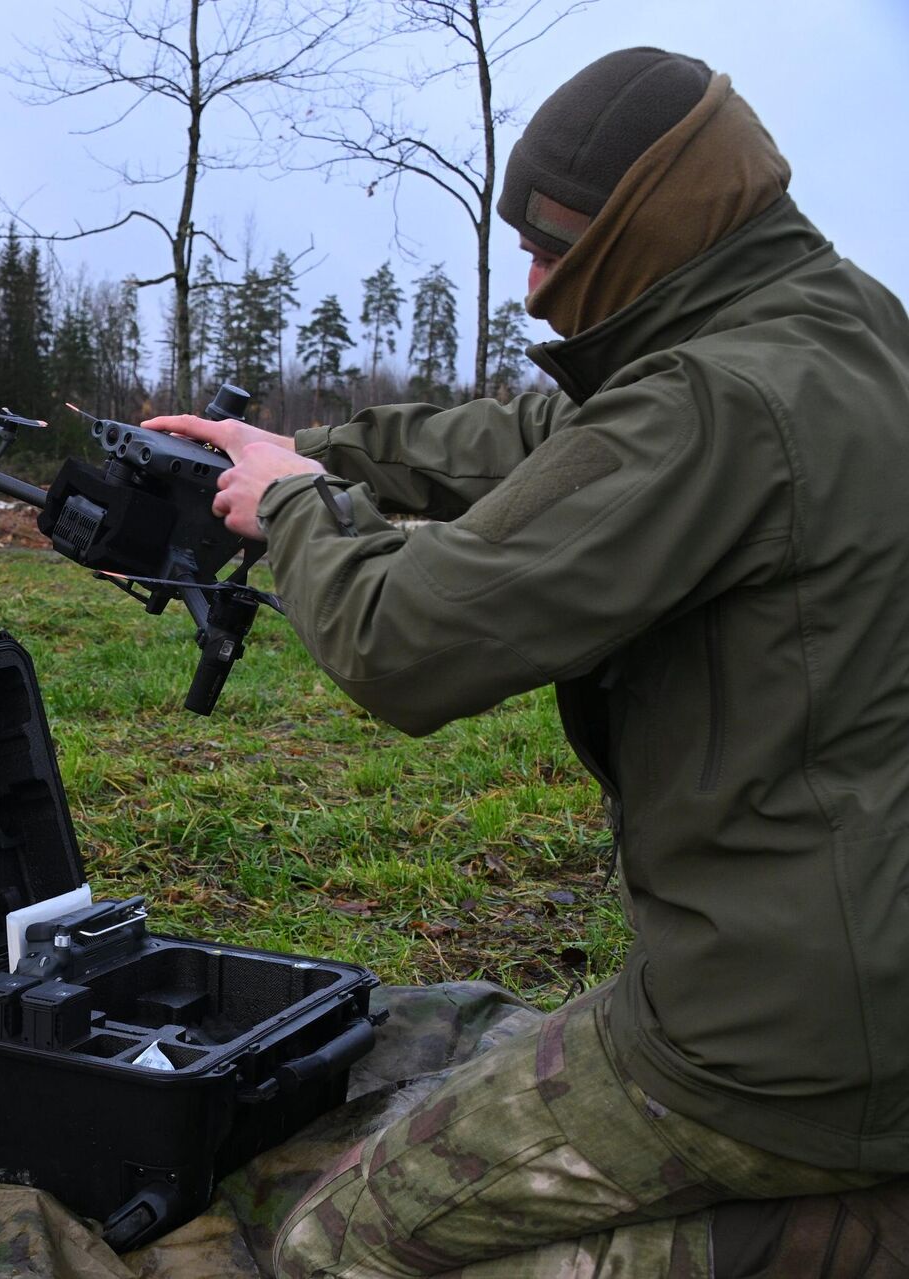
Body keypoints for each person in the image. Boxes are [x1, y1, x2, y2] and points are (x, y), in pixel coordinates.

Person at [148, 48, 909, 1277]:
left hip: (768, 1052)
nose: (538, 279)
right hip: (864, 975)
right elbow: (555, 432)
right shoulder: (846, 326)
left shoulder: (710, 405)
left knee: (335, 1248)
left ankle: (828, 1243)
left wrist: (294, 511)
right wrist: (318, 451)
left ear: (649, 231)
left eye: (559, 246)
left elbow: (399, 641)